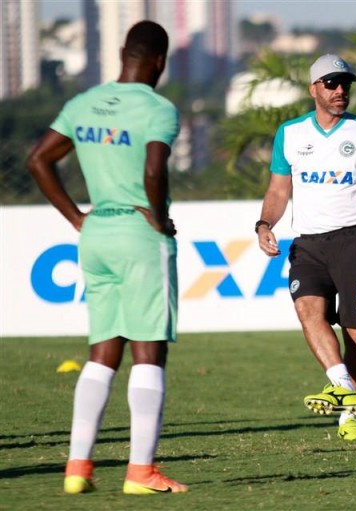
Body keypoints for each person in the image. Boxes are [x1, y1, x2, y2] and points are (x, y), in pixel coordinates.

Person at [26, 21, 188, 493]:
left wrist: (76, 217)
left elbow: (38, 159)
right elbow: (154, 168)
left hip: (95, 232)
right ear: (160, 60)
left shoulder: (83, 104)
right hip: (139, 235)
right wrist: (158, 218)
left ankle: (78, 467)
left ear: (122, 52)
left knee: (101, 354)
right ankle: (141, 472)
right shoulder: (158, 108)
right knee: (148, 353)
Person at [256, 54, 356, 441]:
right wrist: (264, 224)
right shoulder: (289, 134)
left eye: (345, 84)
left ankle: (348, 416)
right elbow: (278, 188)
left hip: (355, 240)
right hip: (308, 242)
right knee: (309, 310)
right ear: (313, 89)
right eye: (331, 84)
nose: (340, 91)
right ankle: (341, 385)